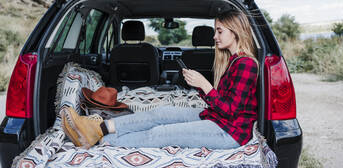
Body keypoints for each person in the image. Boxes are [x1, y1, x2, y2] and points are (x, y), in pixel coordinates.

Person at [61, 10, 259, 149]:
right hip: (216, 119)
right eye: (215, 30)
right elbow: (220, 104)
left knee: (160, 133)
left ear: (236, 32)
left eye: (219, 31)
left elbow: (231, 111)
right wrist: (197, 85)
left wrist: (205, 85)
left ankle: (100, 142)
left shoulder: (246, 64)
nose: (214, 36)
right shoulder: (234, 61)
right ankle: (99, 128)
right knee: (160, 113)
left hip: (229, 132)